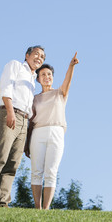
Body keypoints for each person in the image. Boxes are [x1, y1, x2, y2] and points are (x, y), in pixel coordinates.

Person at [0, 46, 46, 207]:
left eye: (42, 57)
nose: (39, 58)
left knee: (13, 163)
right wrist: (10, 112)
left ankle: (1, 201)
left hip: (24, 121)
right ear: (27, 55)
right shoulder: (15, 65)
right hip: (10, 113)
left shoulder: (32, 79)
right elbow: (6, 88)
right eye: (36, 54)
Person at [24, 52, 79, 209]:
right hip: (37, 134)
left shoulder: (60, 93)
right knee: (36, 172)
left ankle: (46, 208)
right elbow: (30, 122)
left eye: (49, 74)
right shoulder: (34, 98)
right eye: (43, 74)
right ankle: (37, 207)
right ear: (38, 79)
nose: (46, 77)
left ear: (52, 77)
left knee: (51, 172)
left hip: (56, 133)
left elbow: (68, 81)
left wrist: (71, 66)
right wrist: (26, 143)